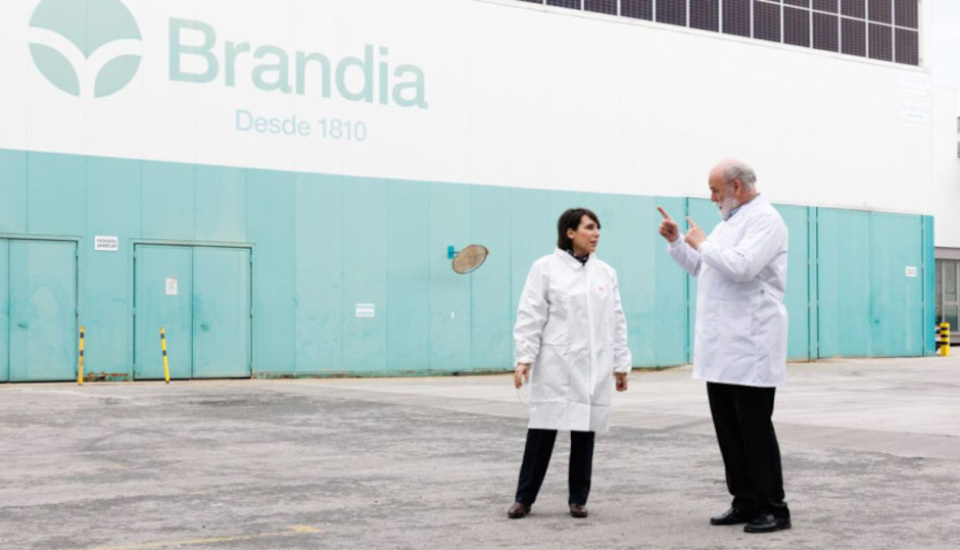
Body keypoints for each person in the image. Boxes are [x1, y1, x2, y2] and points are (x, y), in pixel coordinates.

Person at [658, 159, 791, 534]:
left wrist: (703, 243)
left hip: (751, 345)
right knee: (729, 431)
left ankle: (774, 507)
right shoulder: (727, 224)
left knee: (754, 431)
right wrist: (677, 242)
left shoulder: (766, 220)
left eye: (715, 190)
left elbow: (743, 266)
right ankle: (744, 500)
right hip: (721, 348)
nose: (712, 197)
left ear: (736, 187)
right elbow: (704, 267)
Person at [507, 207, 632, 520]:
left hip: (592, 366)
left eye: (598, 228)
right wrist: (525, 357)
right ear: (570, 232)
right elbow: (531, 313)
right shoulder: (545, 268)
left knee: (585, 431)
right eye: (589, 227)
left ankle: (578, 498)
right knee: (542, 430)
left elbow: (616, 320)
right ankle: (524, 498)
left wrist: (621, 364)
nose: (596, 233)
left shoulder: (605, 272)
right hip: (556, 364)